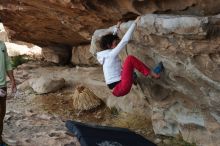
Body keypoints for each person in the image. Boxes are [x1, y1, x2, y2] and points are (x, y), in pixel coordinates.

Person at [96, 16, 163, 97]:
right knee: (130, 59)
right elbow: (124, 41)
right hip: (121, 87)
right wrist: (135, 23)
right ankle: (152, 74)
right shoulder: (110, 54)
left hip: (116, 88)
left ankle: (132, 77)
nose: (116, 44)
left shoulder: (105, 54)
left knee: (125, 68)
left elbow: (111, 39)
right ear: (109, 45)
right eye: (115, 43)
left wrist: (117, 27)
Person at [0, 40, 17, 146]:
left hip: (2, 86)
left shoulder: (2, 44)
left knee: (1, 114)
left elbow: (7, 63)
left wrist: (12, 80)